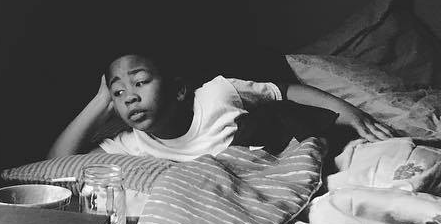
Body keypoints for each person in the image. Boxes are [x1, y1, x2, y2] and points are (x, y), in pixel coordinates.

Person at [48, 49, 396, 161]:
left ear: (180, 90)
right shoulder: (132, 145)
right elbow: (55, 165)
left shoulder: (218, 94)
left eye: (139, 82)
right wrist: (98, 102)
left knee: (280, 120)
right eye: (118, 93)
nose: (130, 96)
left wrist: (349, 112)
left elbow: (283, 91)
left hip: (275, 154)